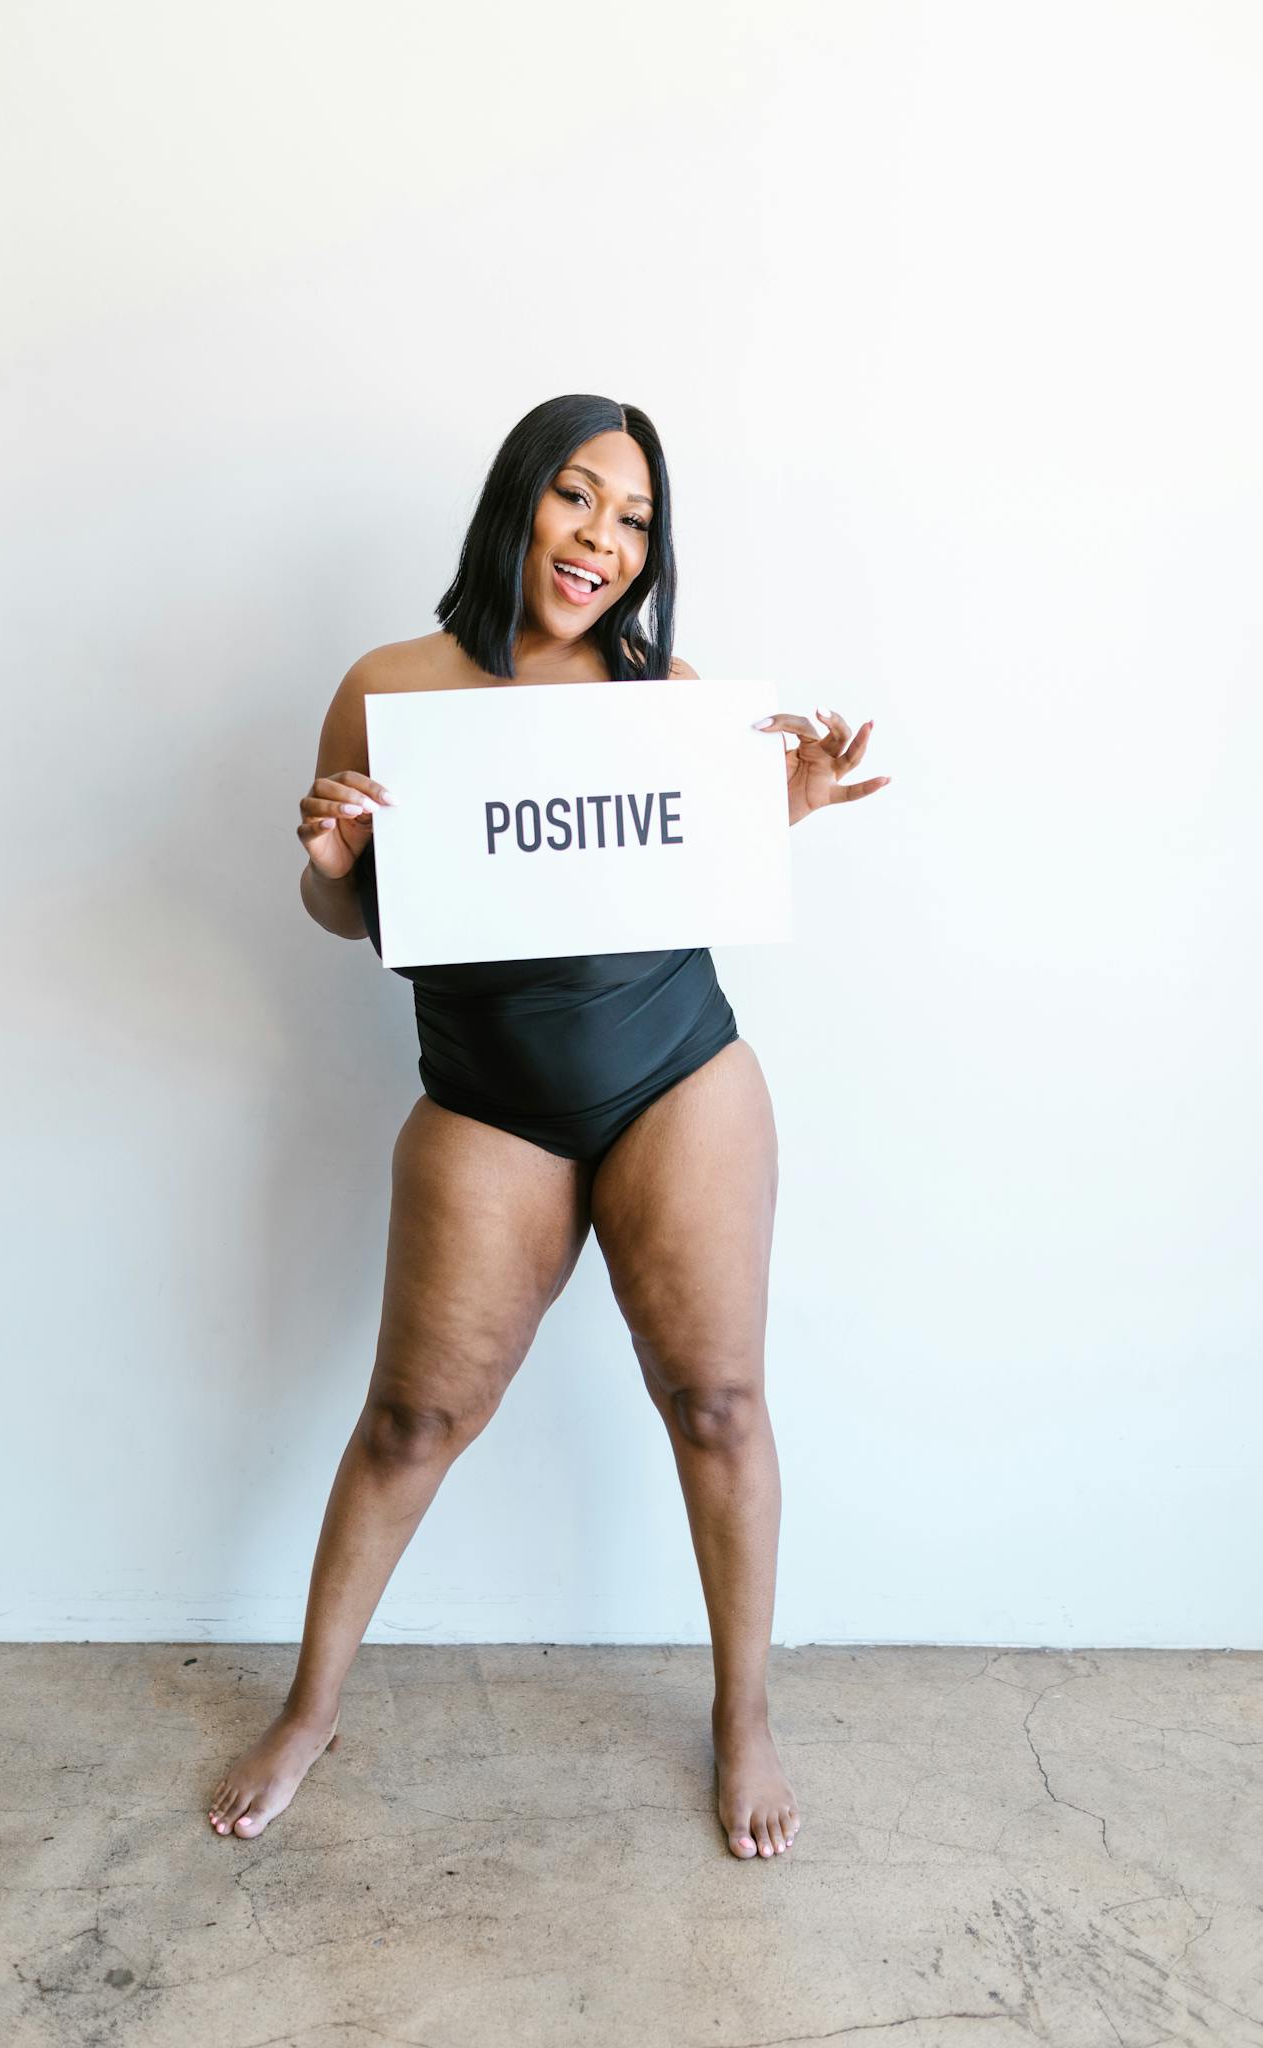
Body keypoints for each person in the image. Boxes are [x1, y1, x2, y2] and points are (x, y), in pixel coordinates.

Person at [208, 394, 889, 1859]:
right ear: (519, 501)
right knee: (411, 1421)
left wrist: (790, 809)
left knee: (715, 1401)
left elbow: (676, 880)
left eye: (635, 520)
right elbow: (348, 915)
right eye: (579, 499)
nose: (603, 540)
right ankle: (310, 1706)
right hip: (487, 1097)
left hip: (675, 1074)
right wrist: (329, 863)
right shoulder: (390, 685)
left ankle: (743, 1711)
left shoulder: (663, 688)